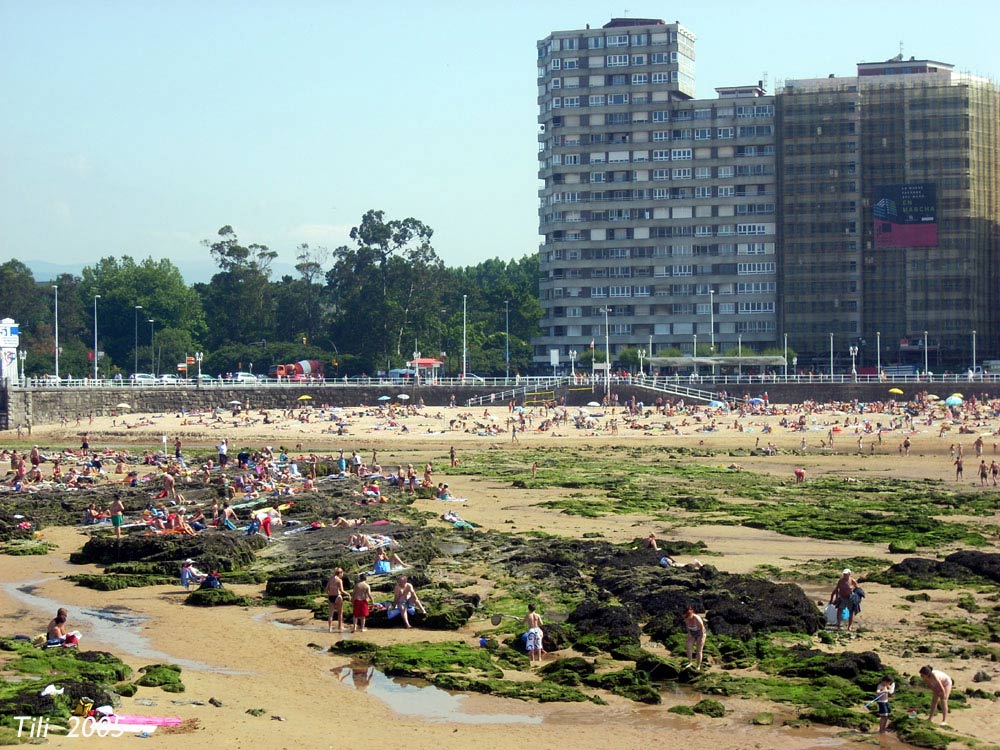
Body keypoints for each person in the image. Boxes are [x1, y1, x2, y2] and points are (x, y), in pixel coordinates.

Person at [683, 605, 707, 670]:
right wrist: (689, 634)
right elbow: (687, 627)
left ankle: (698, 666)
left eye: (689, 615)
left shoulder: (696, 618)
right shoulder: (685, 618)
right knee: (688, 646)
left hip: (700, 633)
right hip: (692, 633)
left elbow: (701, 627)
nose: (687, 617)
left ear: (692, 612)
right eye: (686, 616)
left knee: (699, 650)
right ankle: (690, 662)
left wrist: (701, 637)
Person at [325, 567, 347, 633]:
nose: (342, 575)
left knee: (330, 614)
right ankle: (340, 626)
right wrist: (348, 594)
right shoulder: (339, 580)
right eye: (342, 573)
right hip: (337, 596)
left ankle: (330, 628)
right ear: (340, 573)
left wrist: (329, 594)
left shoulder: (330, 579)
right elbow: (342, 590)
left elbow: (326, 589)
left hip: (330, 597)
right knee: (340, 612)